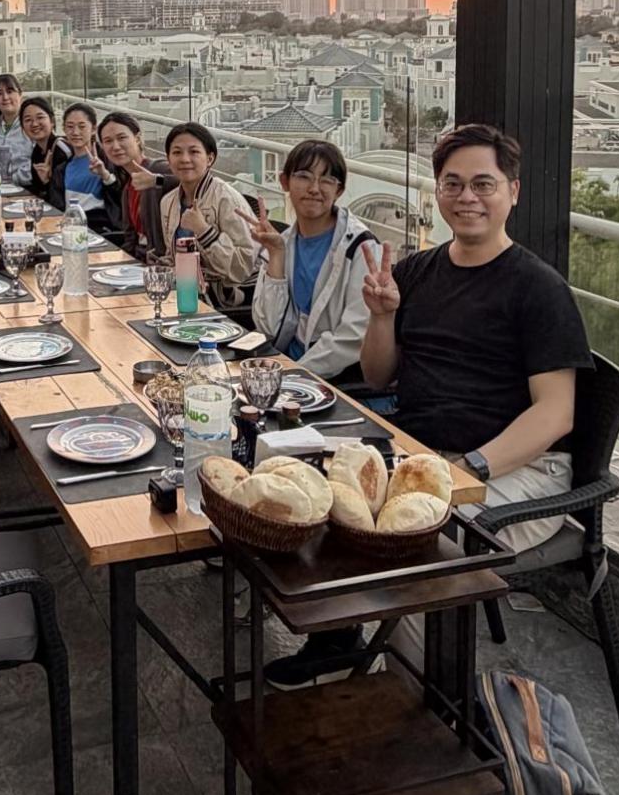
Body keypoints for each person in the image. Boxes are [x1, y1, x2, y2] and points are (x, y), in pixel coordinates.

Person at [265, 124, 593, 688]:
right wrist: (383, 317)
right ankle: (337, 638)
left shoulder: (538, 288)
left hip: (519, 470)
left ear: (513, 191)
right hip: (422, 454)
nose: (468, 198)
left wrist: (472, 467)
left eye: (484, 184)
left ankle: (428, 701)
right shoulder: (419, 271)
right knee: (310, 491)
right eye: (453, 184)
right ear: (438, 192)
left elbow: (555, 412)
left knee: (412, 541)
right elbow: (378, 374)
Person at [243, 140, 376, 380]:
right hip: (283, 368)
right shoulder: (283, 242)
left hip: (334, 378)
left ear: (339, 190)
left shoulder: (360, 247)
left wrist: (296, 374)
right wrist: (276, 255)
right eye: (304, 177)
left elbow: (354, 336)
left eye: (327, 180)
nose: (314, 188)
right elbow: (269, 328)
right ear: (285, 182)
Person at [159, 123, 257, 302]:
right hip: (186, 291)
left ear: (210, 158)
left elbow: (242, 268)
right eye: (177, 152)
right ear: (168, 159)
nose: (185, 159)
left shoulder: (227, 199)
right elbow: (173, 256)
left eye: (194, 152)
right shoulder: (168, 202)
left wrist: (204, 231)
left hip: (228, 299)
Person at [97, 112, 175, 259]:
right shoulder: (128, 187)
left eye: (122, 138)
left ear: (137, 139)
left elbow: (192, 183)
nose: (115, 146)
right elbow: (130, 239)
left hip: (163, 263)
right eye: (108, 141)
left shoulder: (157, 169)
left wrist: (157, 181)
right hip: (140, 260)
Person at [20, 97, 71, 204]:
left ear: (52, 121)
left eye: (40, 117)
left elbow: (65, 194)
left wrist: (48, 180)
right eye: (28, 120)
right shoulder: (37, 151)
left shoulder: (61, 149)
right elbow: (39, 189)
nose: (34, 124)